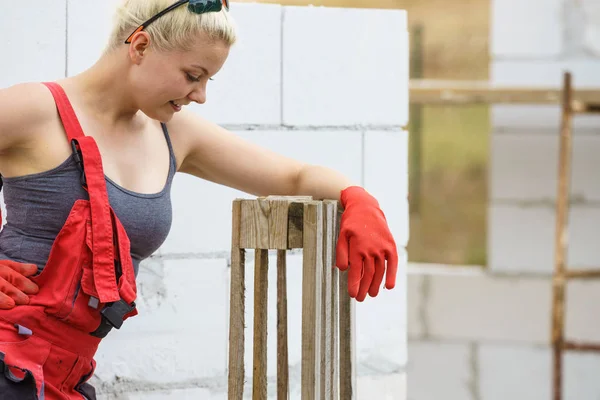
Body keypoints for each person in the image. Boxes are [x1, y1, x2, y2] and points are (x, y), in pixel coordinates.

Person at [0, 0, 399, 398]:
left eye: (208, 80)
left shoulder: (174, 134)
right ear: (140, 46)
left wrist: (359, 199)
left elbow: (294, 176)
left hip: (65, 376)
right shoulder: (35, 108)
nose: (201, 95)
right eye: (193, 75)